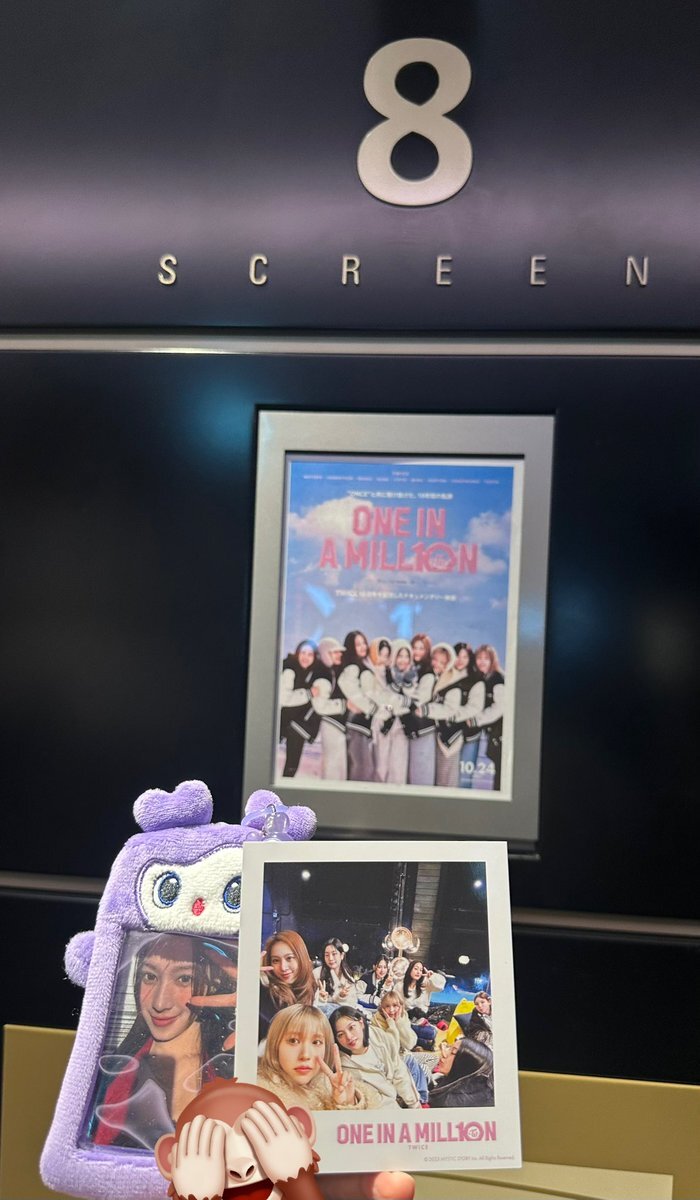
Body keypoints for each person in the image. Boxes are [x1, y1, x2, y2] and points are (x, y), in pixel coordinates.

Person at [91, 933, 236, 1149]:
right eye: (150, 976)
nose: (160, 1002)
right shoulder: (106, 1075)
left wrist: (270, 1007)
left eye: (184, 979)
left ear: (215, 983)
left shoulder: (237, 1066)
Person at [258, 1004, 382, 1111]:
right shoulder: (260, 1097)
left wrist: (348, 1103)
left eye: (316, 1042)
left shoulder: (329, 1085)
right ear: (275, 1044)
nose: (305, 1055)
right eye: (293, 1041)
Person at [330, 1007, 421, 1110]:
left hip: (400, 1088)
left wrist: (415, 1104)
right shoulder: (345, 1069)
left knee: (415, 1063)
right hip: (387, 1105)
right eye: (341, 1034)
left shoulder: (377, 1036)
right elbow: (378, 1102)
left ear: (361, 1023)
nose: (349, 1037)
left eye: (351, 1027)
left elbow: (399, 1070)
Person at [371, 991, 431, 1104]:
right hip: (390, 1062)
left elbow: (410, 1044)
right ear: (382, 1008)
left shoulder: (403, 1017)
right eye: (387, 1006)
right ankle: (421, 1098)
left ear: (401, 1006)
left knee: (429, 1062)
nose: (392, 1010)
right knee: (413, 1063)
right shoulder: (376, 1023)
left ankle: (420, 1089)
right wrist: (391, 1024)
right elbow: (390, 1049)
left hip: (404, 1054)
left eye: (395, 1006)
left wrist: (399, 1023)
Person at [259, 930, 317, 1038]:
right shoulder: (267, 993)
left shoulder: (311, 986)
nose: (283, 967)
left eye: (289, 958)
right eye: (276, 961)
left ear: (301, 957)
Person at [372, 639, 412, 785]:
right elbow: (383, 700)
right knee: (381, 766)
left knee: (399, 767)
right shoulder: (383, 673)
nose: (403, 660)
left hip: (401, 727)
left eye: (406, 656)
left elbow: (413, 703)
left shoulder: (412, 677)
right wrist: (392, 707)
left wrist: (398, 705)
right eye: (400, 656)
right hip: (383, 724)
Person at [338, 630, 377, 782]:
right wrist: (371, 708)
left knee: (362, 766)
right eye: (357, 644)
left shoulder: (362, 665)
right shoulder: (353, 667)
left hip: (363, 725)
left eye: (364, 643)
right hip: (357, 724)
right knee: (362, 767)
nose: (362, 647)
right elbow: (351, 691)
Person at [279, 640, 321, 777]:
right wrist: (308, 694)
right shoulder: (290, 670)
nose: (306, 657)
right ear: (297, 653)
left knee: (292, 765)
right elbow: (284, 698)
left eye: (310, 654)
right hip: (282, 721)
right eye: (303, 653)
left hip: (295, 724)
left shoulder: (309, 673)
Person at [311, 636, 348, 781]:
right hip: (331, 725)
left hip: (335, 725)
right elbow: (320, 706)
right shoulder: (322, 675)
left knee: (337, 765)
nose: (339, 655)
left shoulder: (330, 671)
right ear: (326, 654)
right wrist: (344, 705)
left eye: (340, 652)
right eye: (335, 652)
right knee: (333, 766)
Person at [401, 633, 437, 786]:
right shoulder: (409, 669)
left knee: (421, 772)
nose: (417, 652)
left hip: (423, 728)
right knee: (409, 772)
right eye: (414, 647)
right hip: (409, 727)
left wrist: (399, 702)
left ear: (427, 650)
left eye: (421, 648)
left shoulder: (428, 672)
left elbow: (420, 699)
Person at [473, 644, 506, 791]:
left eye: (486, 658)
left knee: (501, 777)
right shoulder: (483, 679)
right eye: (479, 658)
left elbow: (499, 708)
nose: (482, 661)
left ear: (492, 660)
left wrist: (478, 720)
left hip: (500, 735)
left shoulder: (497, 679)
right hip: (493, 733)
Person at [428, 1037, 494, 1108]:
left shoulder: (445, 1101)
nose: (444, 1053)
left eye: (453, 1052)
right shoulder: (484, 1088)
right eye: (449, 1047)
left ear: (466, 1065)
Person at [401, 960, 446, 1050]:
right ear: (410, 969)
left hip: (421, 1021)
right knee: (401, 1029)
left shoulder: (425, 985)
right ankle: (421, 1042)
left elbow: (441, 986)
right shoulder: (400, 986)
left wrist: (432, 976)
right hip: (405, 1021)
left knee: (431, 1033)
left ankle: (413, 1040)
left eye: (421, 970)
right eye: (416, 969)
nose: (418, 972)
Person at [315, 937, 367, 1008]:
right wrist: (320, 998)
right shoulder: (317, 974)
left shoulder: (349, 977)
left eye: (334, 954)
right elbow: (311, 1002)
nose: (330, 958)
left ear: (342, 955)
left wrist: (341, 997)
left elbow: (353, 1003)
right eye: (327, 955)